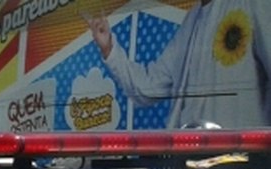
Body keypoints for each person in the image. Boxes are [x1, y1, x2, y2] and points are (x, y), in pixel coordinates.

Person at [86, 0, 271, 128]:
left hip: (241, 159)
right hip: (190, 158)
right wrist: (109, 47)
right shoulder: (192, 18)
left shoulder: (252, 4)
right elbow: (149, 87)